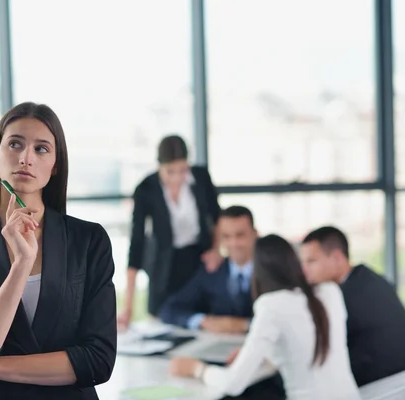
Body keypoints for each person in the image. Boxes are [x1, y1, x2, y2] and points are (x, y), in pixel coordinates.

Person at [0, 102, 117, 399]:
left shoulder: (88, 240)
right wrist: (22, 264)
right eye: (15, 144)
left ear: (55, 165)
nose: (25, 158)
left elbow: (98, 361)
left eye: (41, 149)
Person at [169, 234, 360, 400]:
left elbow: (233, 384)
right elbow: (302, 346)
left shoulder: (271, 304)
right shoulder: (330, 291)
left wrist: (196, 369)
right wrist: (259, 354)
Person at [118, 135, 222, 328]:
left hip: (198, 261)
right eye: (170, 171)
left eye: (183, 170)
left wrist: (216, 250)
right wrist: (128, 307)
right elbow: (137, 244)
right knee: (163, 322)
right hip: (164, 267)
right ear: (159, 166)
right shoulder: (146, 189)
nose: (177, 178)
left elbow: (217, 218)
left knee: (199, 321)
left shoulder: (201, 178)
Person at [301, 226, 405, 386]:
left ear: (336, 257)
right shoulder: (370, 279)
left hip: (377, 385)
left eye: (311, 261)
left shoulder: (344, 296)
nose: (304, 271)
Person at [158, 206, 256, 334]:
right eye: (226, 236)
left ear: (254, 234)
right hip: (219, 345)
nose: (233, 243)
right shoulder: (213, 271)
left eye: (240, 235)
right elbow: (169, 309)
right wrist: (204, 321)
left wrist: (246, 325)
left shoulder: (272, 270)